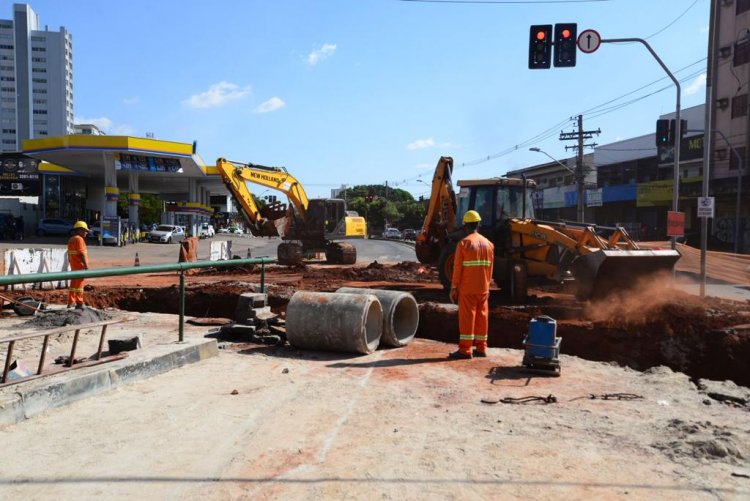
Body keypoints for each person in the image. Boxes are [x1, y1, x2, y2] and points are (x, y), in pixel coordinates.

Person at [448, 210, 495, 360]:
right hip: (483, 288)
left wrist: (454, 287)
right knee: (482, 318)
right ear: (478, 225)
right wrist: (488, 286)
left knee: (468, 318)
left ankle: (465, 350)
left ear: (466, 226)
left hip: (467, 289)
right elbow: (490, 268)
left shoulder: (464, 243)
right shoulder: (489, 244)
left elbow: (457, 268)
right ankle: (481, 348)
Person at [67, 221, 90, 309]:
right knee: (79, 286)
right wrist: (86, 265)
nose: (86, 233)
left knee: (73, 285)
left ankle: (71, 302)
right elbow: (81, 253)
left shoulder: (71, 239)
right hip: (80, 266)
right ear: (80, 230)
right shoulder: (79, 239)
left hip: (74, 266)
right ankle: (79, 302)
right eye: (85, 230)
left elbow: (69, 255)